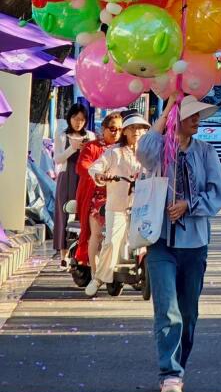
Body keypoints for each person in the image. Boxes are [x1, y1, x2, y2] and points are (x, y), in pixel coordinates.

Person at [138, 93, 221, 392]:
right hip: (161, 242)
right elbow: (142, 152)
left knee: (188, 313)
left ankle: (179, 365)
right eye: (191, 115)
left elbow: (218, 194)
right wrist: (166, 113)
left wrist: (189, 205)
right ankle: (170, 372)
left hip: (194, 243)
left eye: (198, 115)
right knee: (168, 310)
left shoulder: (206, 152)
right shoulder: (160, 149)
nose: (197, 120)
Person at [85, 112, 149, 296]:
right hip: (117, 205)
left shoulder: (147, 153)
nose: (137, 132)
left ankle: (146, 274)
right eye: (132, 128)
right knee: (112, 242)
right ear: (125, 131)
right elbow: (96, 167)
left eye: (140, 128)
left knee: (146, 241)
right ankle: (98, 278)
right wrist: (100, 175)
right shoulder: (114, 152)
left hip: (141, 207)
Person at [74, 111, 123, 271]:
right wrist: (99, 175)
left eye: (121, 129)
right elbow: (83, 166)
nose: (116, 133)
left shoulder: (126, 149)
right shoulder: (92, 147)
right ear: (104, 128)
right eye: (113, 128)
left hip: (122, 197)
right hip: (97, 198)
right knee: (97, 234)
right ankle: (95, 274)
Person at [53, 104, 90, 264]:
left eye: (82, 119)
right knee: (64, 213)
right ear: (70, 119)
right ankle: (63, 255)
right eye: (75, 118)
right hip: (66, 177)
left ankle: (81, 252)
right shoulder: (62, 135)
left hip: (84, 178)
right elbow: (58, 159)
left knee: (83, 213)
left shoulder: (90, 136)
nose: (78, 122)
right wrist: (73, 148)